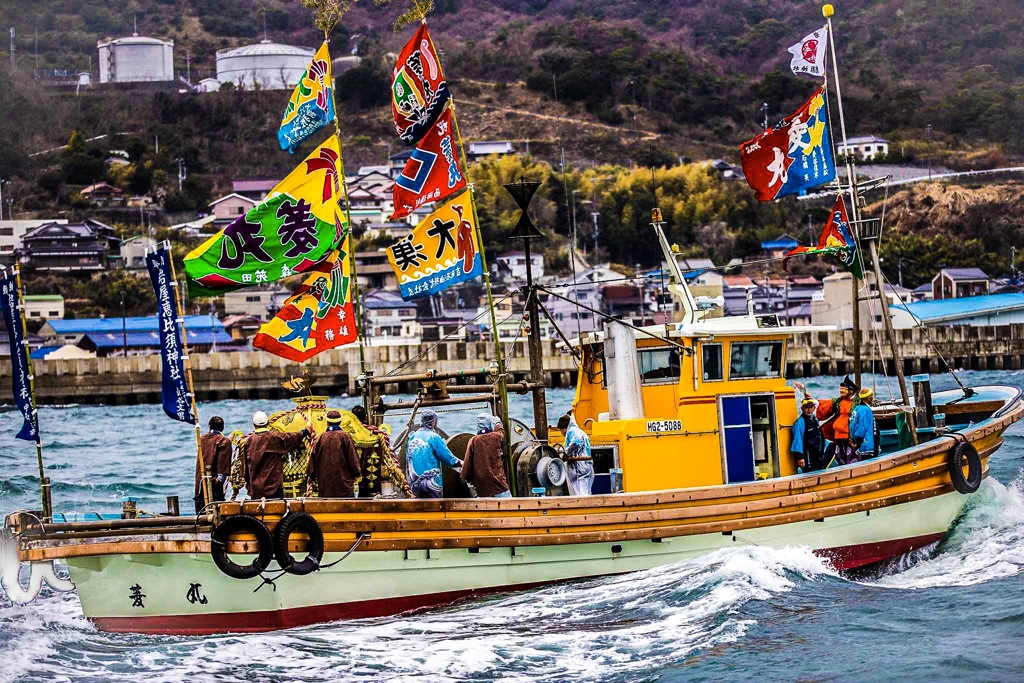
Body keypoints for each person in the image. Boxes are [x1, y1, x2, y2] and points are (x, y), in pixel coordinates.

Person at [243, 410, 310, 499]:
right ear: (267, 423)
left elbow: (244, 470)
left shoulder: (248, 442)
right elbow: (291, 438)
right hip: (274, 487)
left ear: (254, 425)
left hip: (256, 489)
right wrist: (305, 431)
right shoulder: (274, 437)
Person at [795, 376, 859, 466]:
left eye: (843, 389)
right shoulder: (838, 401)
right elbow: (822, 405)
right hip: (838, 436)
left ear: (851, 391)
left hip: (851, 437)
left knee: (853, 459)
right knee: (841, 459)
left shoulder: (858, 403)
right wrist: (805, 393)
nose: (841, 391)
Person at [306, 410, 362, 498]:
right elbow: (353, 459)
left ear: (327, 422)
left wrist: (311, 476)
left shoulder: (320, 438)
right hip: (344, 486)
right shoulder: (345, 436)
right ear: (340, 422)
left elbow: (312, 461)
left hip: (325, 487)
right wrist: (357, 472)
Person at [406, 409, 461, 498]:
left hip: (414, 485)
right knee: (435, 508)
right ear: (434, 421)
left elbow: (408, 463)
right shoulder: (434, 437)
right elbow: (448, 459)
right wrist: (463, 464)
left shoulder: (412, 437)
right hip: (432, 486)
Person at [462, 414, 511, 498]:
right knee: (509, 509)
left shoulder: (473, 441)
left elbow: (467, 468)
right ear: (490, 424)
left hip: (482, 489)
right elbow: (501, 432)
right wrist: (497, 423)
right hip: (500, 487)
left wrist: (469, 480)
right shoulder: (496, 437)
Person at [194, 416, 232, 512]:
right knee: (216, 512)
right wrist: (219, 480)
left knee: (201, 511)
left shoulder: (201, 439)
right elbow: (223, 466)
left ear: (209, 426)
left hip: (200, 482)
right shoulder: (224, 441)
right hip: (213, 483)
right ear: (222, 428)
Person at [557, 412, 594, 496]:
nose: (561, 432)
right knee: (584, 491)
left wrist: (566, 454)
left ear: (564, 428)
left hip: (579, 467)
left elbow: (577, 442)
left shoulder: (572, 431)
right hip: (585, 466)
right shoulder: (579, 431)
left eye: (561, 429)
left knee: (580, 493)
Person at [790, 398, 826, 472]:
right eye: (806, 407)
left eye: (811, 407)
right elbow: (797, 440)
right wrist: (800, 457)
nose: (809, 410)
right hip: (808, 456)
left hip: (817, 455)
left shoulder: (815, 419)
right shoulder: (800, 423)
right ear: (802, 408)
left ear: (814, 408)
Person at [850, 388, 878, 460]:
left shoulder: (857, 408)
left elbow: (852, 425)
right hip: (866, 446)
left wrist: (853, 439)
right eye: (872, 396)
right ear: (868, 398)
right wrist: (858, 443)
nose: (873, 398)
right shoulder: (866, 410)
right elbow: (862, 428)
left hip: (859, 445)